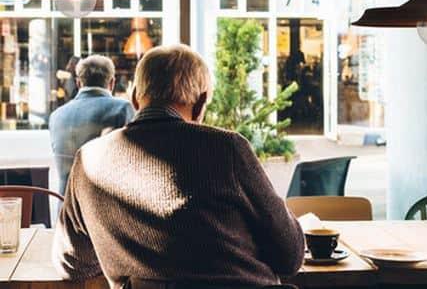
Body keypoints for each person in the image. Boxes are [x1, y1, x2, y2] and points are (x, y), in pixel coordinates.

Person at [52, 44, 304, 289]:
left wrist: (121, 248)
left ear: (135, 98)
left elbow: (72, 263)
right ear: (201, 102)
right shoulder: (227, 148)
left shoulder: (88, 160)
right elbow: (290, 255)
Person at [49, 54, 134, 195]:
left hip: (65, 208)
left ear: (78, 83)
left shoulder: (56, 116)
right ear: (112, 83)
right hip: (104, 208)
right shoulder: (122, 109)